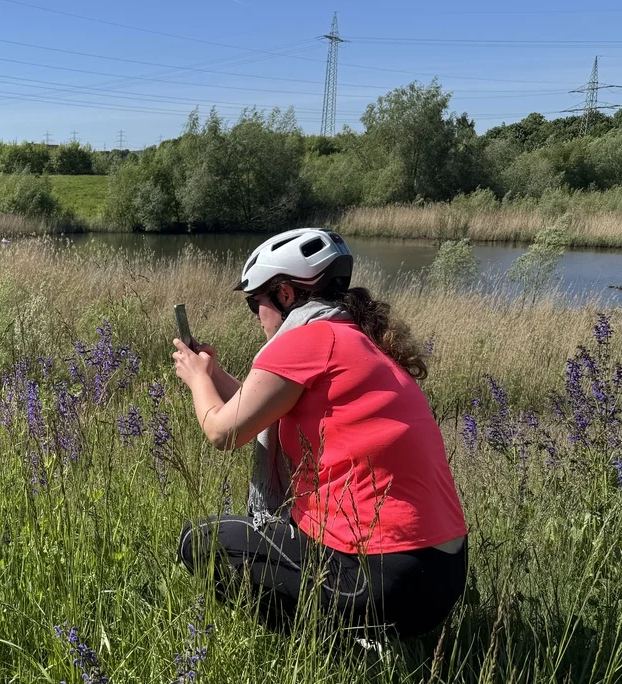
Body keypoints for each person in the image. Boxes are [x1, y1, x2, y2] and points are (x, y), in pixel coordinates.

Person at [171, 228, 467, 639]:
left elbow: (224, 431)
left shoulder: (306, 340)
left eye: (253, 303)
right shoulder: (355, 340)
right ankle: (362, 638)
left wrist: (195, 378)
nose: (256, 316)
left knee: (200, 542)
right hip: (438, 577)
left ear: (285, 295)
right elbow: (257, 409)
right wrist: (214, 372)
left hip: (382, 579)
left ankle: (332, 647)